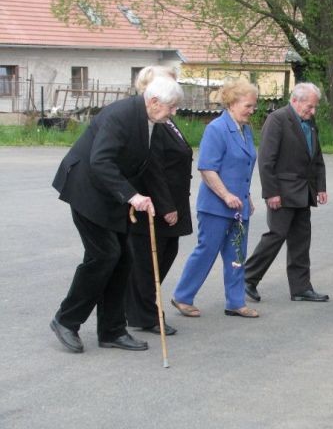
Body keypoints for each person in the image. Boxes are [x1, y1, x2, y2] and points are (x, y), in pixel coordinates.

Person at [49, 76, 184, 353]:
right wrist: (132, 195)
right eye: (171, 107)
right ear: (154, 101)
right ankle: (66, 320)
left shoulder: (151, 121)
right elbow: (101, 160)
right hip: (87, 190)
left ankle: (112, 330)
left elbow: (151, 166)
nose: (173, 113)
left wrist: (160, 201)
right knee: (105, 255)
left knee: (124, 259)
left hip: (111, 196)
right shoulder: (121, 115)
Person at [171, 79, 259, 318]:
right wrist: (226, 195)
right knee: (206, 251)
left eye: (254, 106)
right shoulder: (216, 129)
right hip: (215, 207)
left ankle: (235, 302)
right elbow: (207, 169)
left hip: (239, 206)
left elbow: (242, 166)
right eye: (248, 106)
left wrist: (246, 195)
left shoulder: (246, 130)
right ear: (232, 103)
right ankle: (182, 296)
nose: (252, 110)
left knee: (237, 255)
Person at [243, 82, 329, 303]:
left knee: (301, 239)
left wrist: (320, 186)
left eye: (314, 107)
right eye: (310, 107)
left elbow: (316, 155)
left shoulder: (309, 122)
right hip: (282, 191)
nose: (313, 111)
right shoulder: (278, 119)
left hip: (304, 191)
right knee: (276, 235)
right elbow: (266, 160)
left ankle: (301, 288)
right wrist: (271, 192)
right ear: (295, 100)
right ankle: (247, 278)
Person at [125, 66, 193, 336]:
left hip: (174, 198)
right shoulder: (148, 122)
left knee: (166, 254)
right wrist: (166, 207)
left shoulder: (166, 117)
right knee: (147, 261)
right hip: (156, 203)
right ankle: (145, 314)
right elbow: (154, 168)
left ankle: (139, 308)